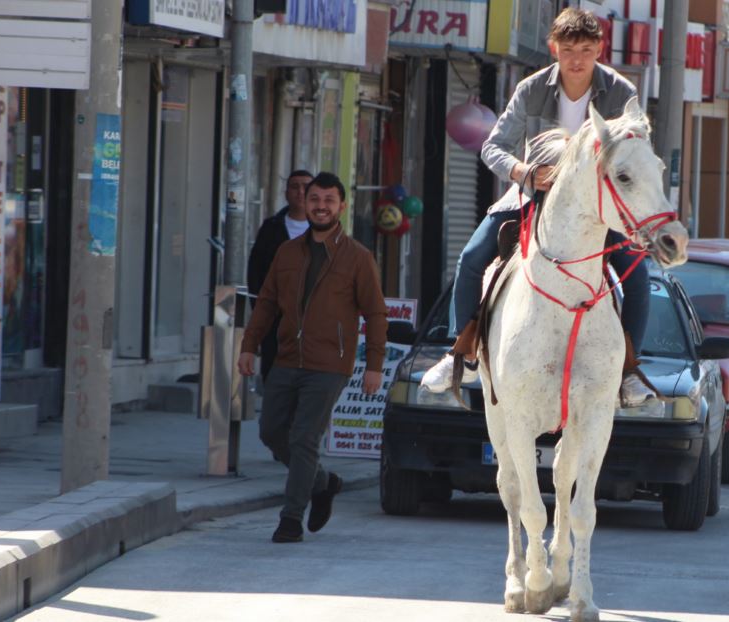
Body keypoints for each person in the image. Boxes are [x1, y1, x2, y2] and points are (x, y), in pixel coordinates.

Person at [420, 7, 654, 406]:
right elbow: (493, 146)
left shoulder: (620, 93)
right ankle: (461, 351)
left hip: (597, 204)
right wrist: (524, 172)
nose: (576, 59)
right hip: (533, 195)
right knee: (472, 258)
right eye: (567, 49)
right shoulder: (531, 88)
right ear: (553, 49)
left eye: (585, 49)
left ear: (600, 48)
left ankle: (629, 369)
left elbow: (634, 151)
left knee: (638, 276)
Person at [238, 172, 388, 543]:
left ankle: (290, 518)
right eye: (315, 199)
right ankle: (324, 482)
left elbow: (376, 313)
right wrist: (248, 345)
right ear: (305, 203)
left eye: (329, 200)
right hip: (287, 358)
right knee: (272, 432)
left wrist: (374, 366)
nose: (321, 206)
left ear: (342, 206)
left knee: (304, 438)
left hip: (329, 364)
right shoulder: (287, 253)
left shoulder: (358, 257)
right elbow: (268, 303)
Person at [247, 170, 315, 380]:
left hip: (314, 318)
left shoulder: (326, 229)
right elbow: (256, 271)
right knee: (274, 369)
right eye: (294, 186)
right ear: (286, 192)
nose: (300, 192)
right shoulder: (272, 227)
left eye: (306, 187)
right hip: (276, 316)